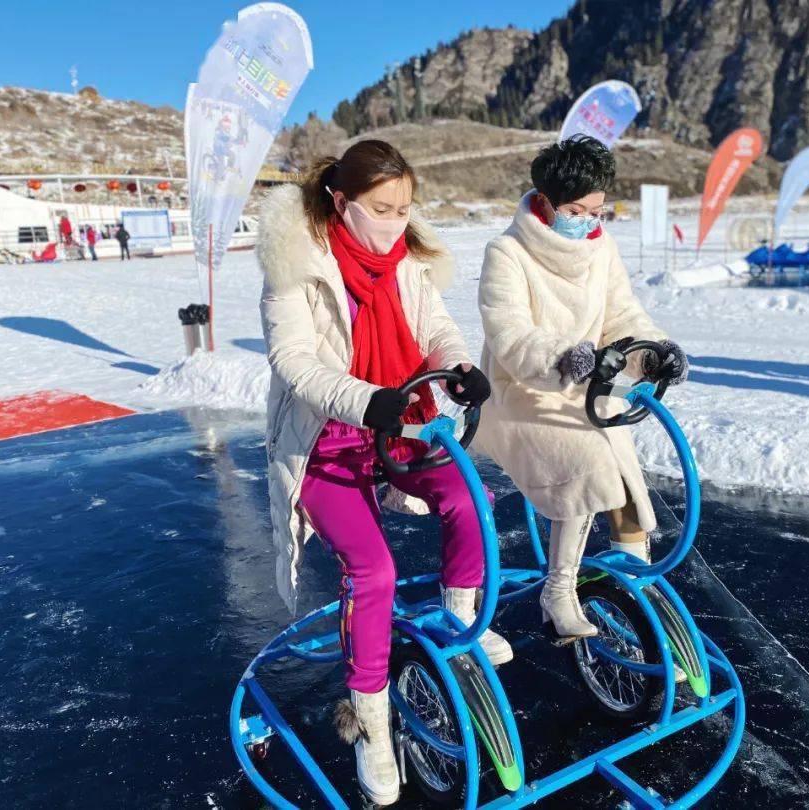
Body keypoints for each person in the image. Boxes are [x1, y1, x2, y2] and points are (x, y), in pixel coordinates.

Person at [256, 139, 510, 806]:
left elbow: (437, 328)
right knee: (373, 572)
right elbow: (294, 362)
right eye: (382, 209)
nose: (397, 223)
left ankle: (460, 626)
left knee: (470, 499)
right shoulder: (297, 264)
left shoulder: (407, 261)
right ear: (342, 202)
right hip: (326, 440)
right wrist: (366, 401)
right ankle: (370, 723)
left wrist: (457, 368)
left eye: (405, 209)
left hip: (402, 424)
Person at [477, 135, 689, 643]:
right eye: (576, 211)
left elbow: (622, 314)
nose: (589, 221)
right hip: (524, 392)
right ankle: (558, 591)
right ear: (545, 202)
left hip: (588, 386)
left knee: (625, 476)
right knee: (589, 463)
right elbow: (510, 335)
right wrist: (565, 358)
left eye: (597, 211)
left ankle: (636, 589)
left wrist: (652, 354)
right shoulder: (507, 252)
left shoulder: (600, 247)